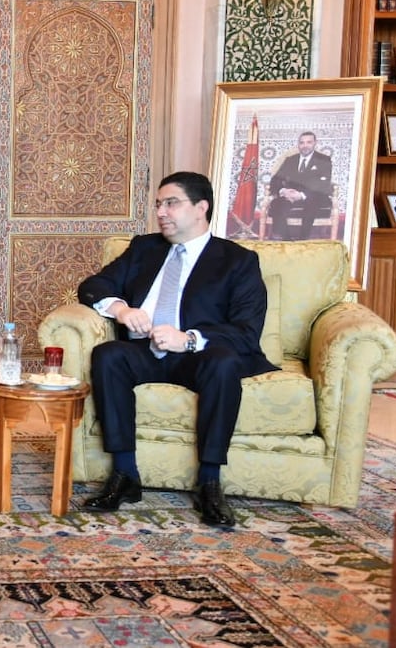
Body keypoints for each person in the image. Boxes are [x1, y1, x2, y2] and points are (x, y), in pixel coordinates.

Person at [77, 171, 277, 528]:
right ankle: (125, 476)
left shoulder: (238, 261)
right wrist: (122, 309)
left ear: (201, 208)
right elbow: (93, 286)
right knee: (108, 355)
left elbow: (247, 332)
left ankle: (210, 482)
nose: (161, 212)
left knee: (224, 363)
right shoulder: (145, 248)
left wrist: (188, 338)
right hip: (146, 352)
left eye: (171, 203)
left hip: (198, 357)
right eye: (158, 204)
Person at [265, 131, 333, 240]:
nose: (305, 145)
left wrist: (301, 195)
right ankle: (286, 240)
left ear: (315, 143)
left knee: (312, 202)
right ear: (298, 144)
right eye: (302, 142)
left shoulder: (324, 160)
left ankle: (303, 239)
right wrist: (284, 191)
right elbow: (275, 180)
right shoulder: (290, 160)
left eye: (309, 142)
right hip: (290, 195)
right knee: (277, 203)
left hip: (312, 196)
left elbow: (322, 183)